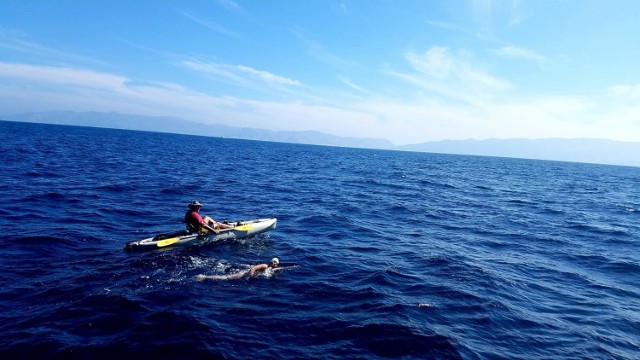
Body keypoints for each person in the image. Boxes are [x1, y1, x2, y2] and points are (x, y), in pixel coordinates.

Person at [196, 258, 281, 281]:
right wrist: (251, 277)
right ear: (270, 262)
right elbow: (253, 268)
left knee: (226, 277)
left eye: (276, 263)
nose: (275, 264)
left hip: (245, 274)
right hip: (244, 274)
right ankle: (204, 277)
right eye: (274, 262)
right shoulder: (265, 266)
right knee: (225, 278)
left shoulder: (270, 269)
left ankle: (206, 277)